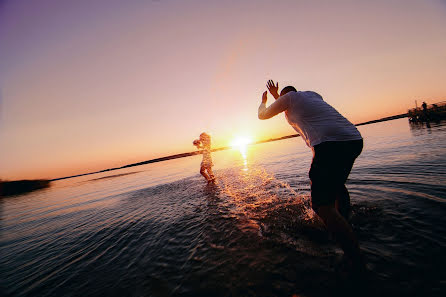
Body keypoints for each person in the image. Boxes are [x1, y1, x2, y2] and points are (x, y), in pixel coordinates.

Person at [258, 80, 365, 272]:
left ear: (285, 97)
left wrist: (264, 101)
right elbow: (289, 103)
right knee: (336, 185)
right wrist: (278, 96)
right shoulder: (312, 95)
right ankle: (345, 221)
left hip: (329, 145)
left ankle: (355, 262)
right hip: (353, 140)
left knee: (321, 205)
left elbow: (263, 115)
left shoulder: (290, 99)